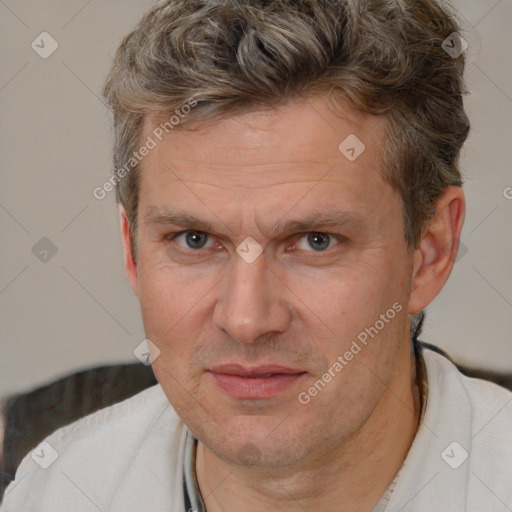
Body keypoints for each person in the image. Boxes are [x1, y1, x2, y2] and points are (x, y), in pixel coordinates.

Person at [2, 1, 512, 510]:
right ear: (132, 251)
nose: (246, 319)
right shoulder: (57, 491)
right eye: (194, 240)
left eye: (316, 241)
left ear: (429, 251)